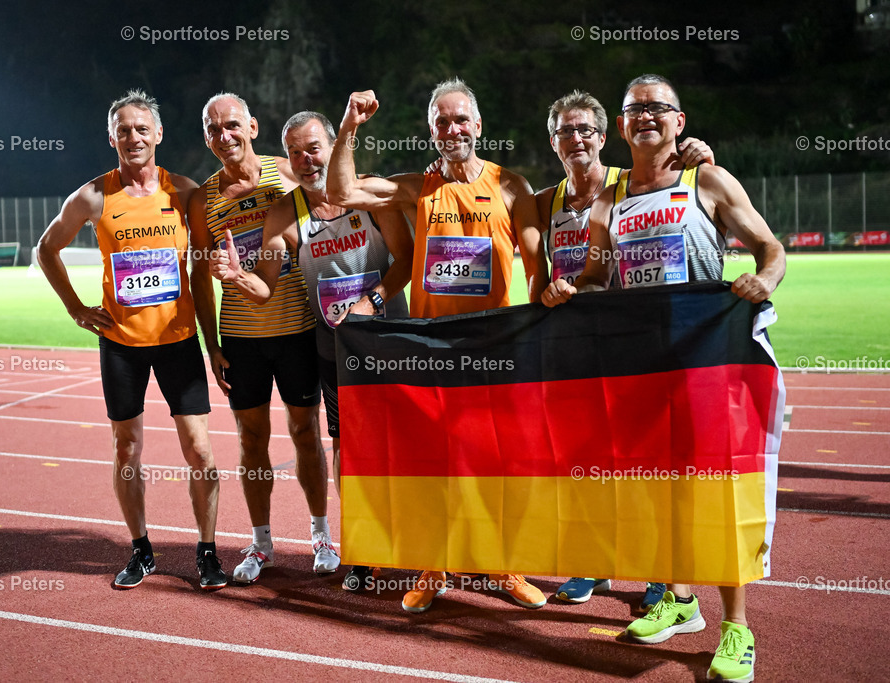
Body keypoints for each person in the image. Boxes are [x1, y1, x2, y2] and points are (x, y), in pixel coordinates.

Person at [542, 74, 786, 683]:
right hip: (640, 368)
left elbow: (770, 248)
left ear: (679, 120)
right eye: (634, 110)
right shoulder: (609, 197)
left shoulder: (706, 179)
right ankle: (678, 601)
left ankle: (737, 628)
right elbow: (599, 275)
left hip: (706, 359)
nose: (645, 117)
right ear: (621, 126)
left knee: (715, 492)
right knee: (653, 487)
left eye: (657, 109)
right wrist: (571, 287)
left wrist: (766, 282)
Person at [328, 78, 549, 613]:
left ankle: (504, 565)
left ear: (478, 126)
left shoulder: (511, 186)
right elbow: (340, 192)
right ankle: (436, 563)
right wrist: (349, 127)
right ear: (431, 131)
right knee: (436, 464)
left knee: (499, 463)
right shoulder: (417, 188)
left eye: (460, 119)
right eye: (441, 122)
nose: (452, 129)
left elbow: (540, 268)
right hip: (434, 349)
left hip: (495, 346)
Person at [209, 110, 414, 592]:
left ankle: (425, 548)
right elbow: (265, 286)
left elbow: (405, 259)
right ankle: (365, 549)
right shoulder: (285, 213)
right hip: (335, 350)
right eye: (296, 151)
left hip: (394, 342)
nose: (306, 159)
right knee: (348, 449)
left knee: (409, 444)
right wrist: (236, 276)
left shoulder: (370, 192)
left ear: (333, 147)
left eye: (314, 147)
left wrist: (371, 301)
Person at [36, 88, 226, 591]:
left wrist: (213, 342)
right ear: (112, 137)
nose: (133, 137)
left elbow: (202, 274)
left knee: (201, 451)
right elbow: (46, 248)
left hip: (179, 340)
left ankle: (207, 552)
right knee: (126, 448)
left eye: (142, 128)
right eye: (124, 130)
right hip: (121, 343)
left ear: (159, 135)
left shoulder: (184, 193)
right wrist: (76, 308)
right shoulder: (93, 197)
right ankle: (141, 549)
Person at [536, 89, 712, 613]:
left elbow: (687, 185)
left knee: (650, 467)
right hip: (576, 347)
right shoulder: (542, 201)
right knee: (589, 463)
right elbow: (565, 271)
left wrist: (699, 154)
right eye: (565, 131)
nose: (576, 139)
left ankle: (662, 573)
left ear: (604, 134)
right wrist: (554, 293)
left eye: (585, 129)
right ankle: (596, 560)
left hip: (638, 345)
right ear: (553, 141)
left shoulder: (628, 183)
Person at [188, 93, 339, 584]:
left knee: (305, 436)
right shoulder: (203, 199)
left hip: (297, 329)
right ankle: (261, 543)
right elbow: (197, 278)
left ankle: (321, 536)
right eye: (213, 130)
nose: (224, 136)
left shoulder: (290, 170)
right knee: (251, 440)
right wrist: (211, 345)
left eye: (232, 125)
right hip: (241, 337)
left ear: (253, 125)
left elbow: (337, 206)